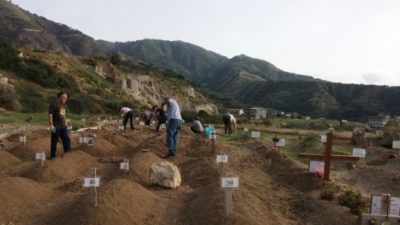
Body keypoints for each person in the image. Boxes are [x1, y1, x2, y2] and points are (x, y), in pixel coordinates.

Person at [48, 92, 71, 159]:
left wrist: (66, 122)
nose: (65, 99)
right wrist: (51, 125)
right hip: (56, 126)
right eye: (64, 97)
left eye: (66, 98)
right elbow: (50, 115)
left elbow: (63, 115)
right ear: (59, 97)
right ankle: (53, 156)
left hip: (63, 126)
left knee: (66, 139)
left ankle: (68, 153)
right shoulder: (54, 105)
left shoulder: (62, 106)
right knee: (54, 141)